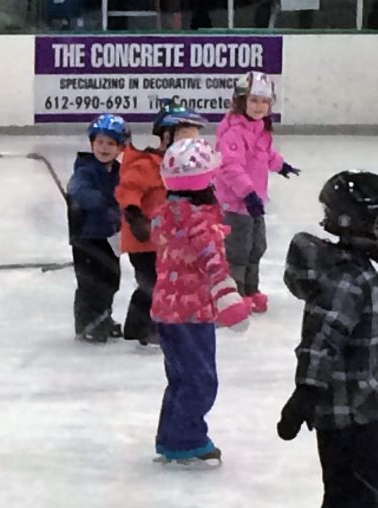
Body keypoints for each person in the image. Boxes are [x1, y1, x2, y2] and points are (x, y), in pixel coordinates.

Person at [277, 171, 378, 508]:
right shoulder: (344, 278)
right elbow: (322, 338)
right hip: (344, 410)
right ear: (352, 223)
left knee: (373, 486)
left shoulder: (355, 270)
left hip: (364, 403)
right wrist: (306, 393)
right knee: (352, 489)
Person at [150, 138, 250, 467]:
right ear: (206, 183)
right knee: (200, 380)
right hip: (192, 314)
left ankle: (170, 436)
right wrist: (230, 303)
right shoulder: (202, 224)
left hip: (166, 311)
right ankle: (186, 440)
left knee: (180, 378)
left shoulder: (164, 215)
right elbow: (215, 267)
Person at [116, 98, 207, 346]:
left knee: (156, 284)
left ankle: (136, 328)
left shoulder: (180, 168)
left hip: (164, 241)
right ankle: (146, 328)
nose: (193, 143)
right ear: (166, 136)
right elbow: (128, 190)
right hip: (143, 239)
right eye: (186, 136)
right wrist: (135, 217)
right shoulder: (147, 164)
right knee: (153, 284)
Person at [214, 72, 299, 313]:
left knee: (256, 247)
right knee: (237, 251)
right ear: (241, 101)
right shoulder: (233, 132)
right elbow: (230, 167)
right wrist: (247, 193)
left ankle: (251, 289)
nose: (259, 106)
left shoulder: (259, 128)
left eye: (264, 101)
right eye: (253, 100)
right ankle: (234, 295)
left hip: (254, 201)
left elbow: (265, 154)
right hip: (235, 203)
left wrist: (281, 165)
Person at [66, 113, 128, 342]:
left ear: (120, 147)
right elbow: (76, 191)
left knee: (110, 280)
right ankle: (87, 323)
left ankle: (103, 317)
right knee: (89, 283)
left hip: (109, 236)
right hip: (86, 237)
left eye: (110, 143)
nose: (104, 148)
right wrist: (104, 201)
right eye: (99, 142)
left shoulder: (118, 172)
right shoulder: (85, 170)